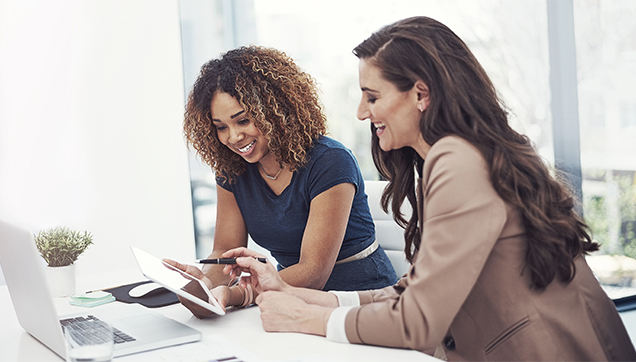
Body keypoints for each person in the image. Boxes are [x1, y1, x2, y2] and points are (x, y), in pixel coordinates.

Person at [169, 17, 636, 361]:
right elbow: (408, 290)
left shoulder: (455, 162)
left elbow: (418, 320)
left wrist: (307, 316)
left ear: (420, 94)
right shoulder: (457, 157)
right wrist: (303, 297)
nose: (360, 112)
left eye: (372, 97)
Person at [176, 46, 398, 317]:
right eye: (221, 127)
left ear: (274, 109)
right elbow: (224, 251)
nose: (233, 137)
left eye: (243, 120)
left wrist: (236, 294)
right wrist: (202, 283)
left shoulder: (330, 161)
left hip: (359, 300)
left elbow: (313, 271)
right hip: (286, 297)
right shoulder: (232, 169)